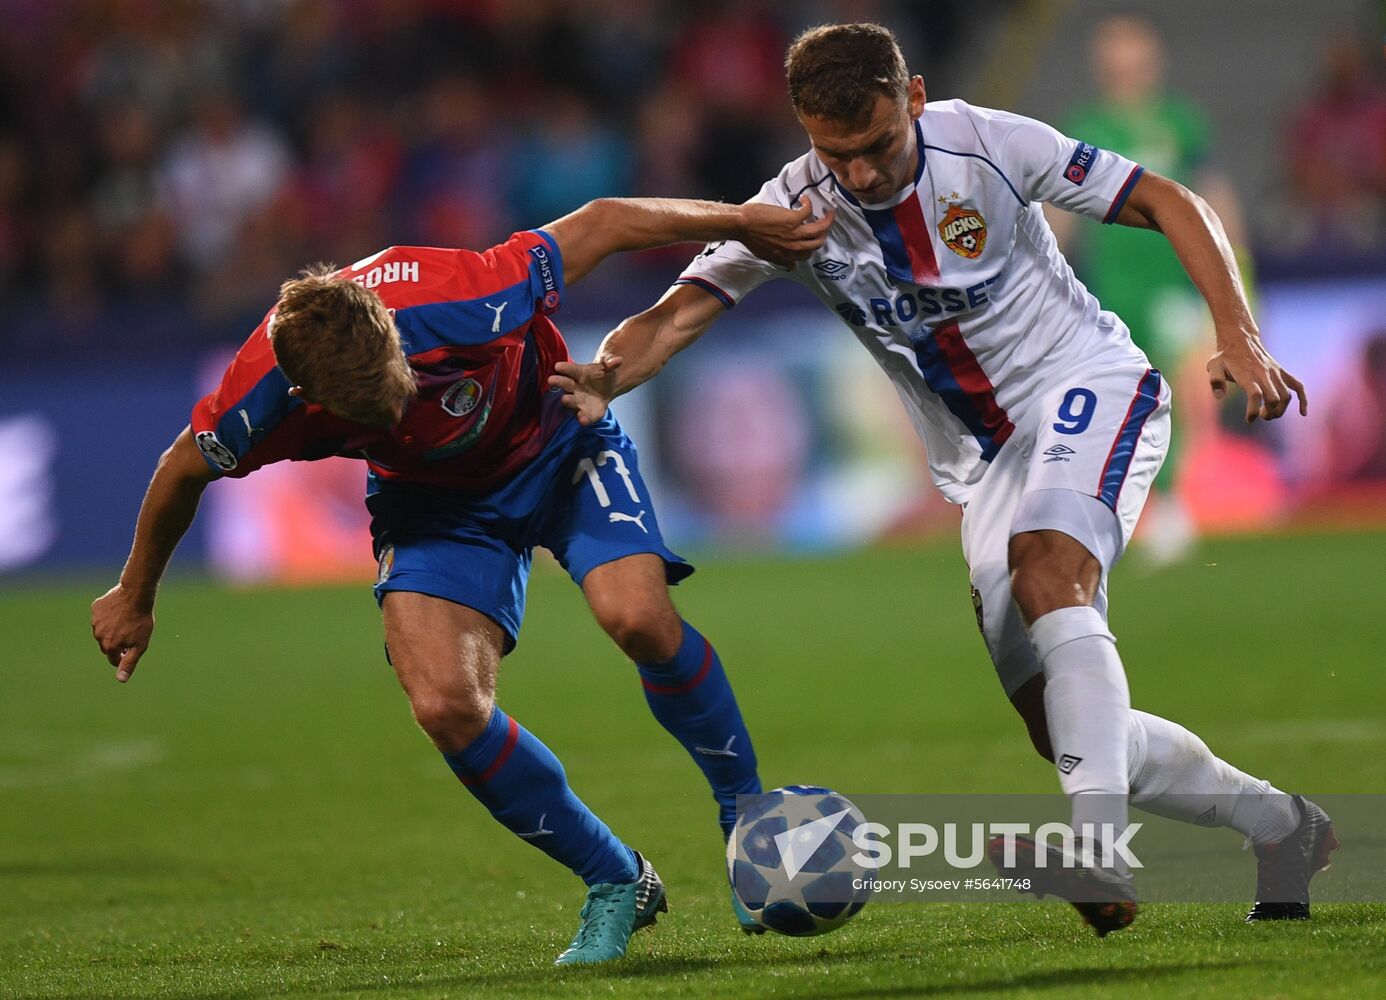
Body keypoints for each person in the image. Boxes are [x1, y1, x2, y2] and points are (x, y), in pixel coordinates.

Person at [550, 23, 1333, 936]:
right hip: (984, 463)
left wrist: (1237, 332)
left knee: (1052, 571)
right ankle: (1283, 828)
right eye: (835, 153)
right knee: (1067, 731)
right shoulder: (797, 205)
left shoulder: (992, 145)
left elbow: (1168, 197)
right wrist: (606, 373)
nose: (863, 174)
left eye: (878, 145)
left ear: (913, 97)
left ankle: (1100, 855)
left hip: (1086, 385)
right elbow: (676, 314)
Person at [89, 195, 832, 965]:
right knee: (445, 703)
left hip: (555, 440)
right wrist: (135, 594)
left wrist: (743, 222)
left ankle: (747, 823)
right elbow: (182, 468)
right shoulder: (257, 400)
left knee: (636, 615)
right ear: (310, 401)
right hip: (434, 504)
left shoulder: (462, 293)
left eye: (397, 369)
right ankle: (617, 879)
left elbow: (605, 221)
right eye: (374, 400)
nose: (402, 393)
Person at [1056, 14, 1251, 564]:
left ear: (1150, 56)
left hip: (1173, 281)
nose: (1122, 59)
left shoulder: (1179, 122)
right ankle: (1115, 508)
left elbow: (1211, 195)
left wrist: (1237, 268)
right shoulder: (1084, 124)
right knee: (1117, 398)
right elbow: (1059, 212)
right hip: (1107, 286)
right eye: (1112, 48)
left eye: (1131, 47)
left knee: (1173, 390)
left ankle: (1168, 506)